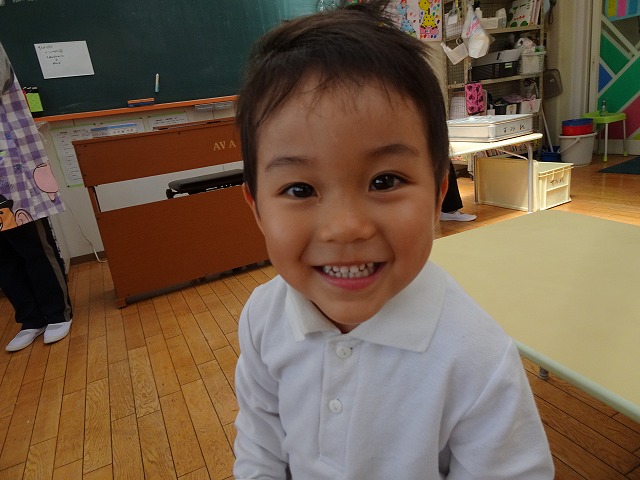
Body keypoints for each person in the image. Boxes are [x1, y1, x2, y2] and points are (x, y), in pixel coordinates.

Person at [233, 1, 554, 478]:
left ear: (439, 194)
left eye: (384, 181)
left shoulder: (476, 358)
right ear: (257, 209)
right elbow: (259, 444)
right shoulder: (263, 318)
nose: (345, 227)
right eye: (299, 189)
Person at [0, 42, 73, 352]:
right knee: (4, 256)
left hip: (9, 167)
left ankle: (57, 313)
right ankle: (30, 319)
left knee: (32, 246)